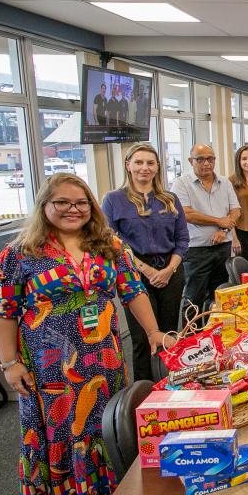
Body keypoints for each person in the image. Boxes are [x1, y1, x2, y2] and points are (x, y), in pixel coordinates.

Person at [0, 173, 174, 495]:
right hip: (51, 371)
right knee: (66, 431)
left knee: (106, 425)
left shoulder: (109, 245)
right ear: (45, 205)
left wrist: (153, 332)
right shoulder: (19, 254)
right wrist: (10, 363)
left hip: (104, 359)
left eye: (81, 202)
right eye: (62, 202)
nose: (73, 209)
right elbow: (4, 313)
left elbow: (133, 291)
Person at [102, 144, 188, 381]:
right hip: (134, 275)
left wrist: (169, 269)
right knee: (142, 338)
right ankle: (144, 392)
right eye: (138, 162)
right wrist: (147, 270)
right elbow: (111, 241)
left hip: (171, 269)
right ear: (128, 166)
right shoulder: (113, 200)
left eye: (150, 163)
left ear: (158, 167)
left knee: (169, 332)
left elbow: (182, 239)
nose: (144, 168)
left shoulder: (169, 199)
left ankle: (170, 383)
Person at [172, 144, 241, 311]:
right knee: (193, 297)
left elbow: (236, 211)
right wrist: (219, 221)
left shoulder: (224, 182)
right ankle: (190, 335)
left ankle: (213, 334)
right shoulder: (181, 184)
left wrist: (224, 230)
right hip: (196, 251)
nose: (206, 163)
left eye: (210, 159)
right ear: (191, 161)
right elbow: (186, 214)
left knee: (219, 297)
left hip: (223, 247)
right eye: (200, 159)